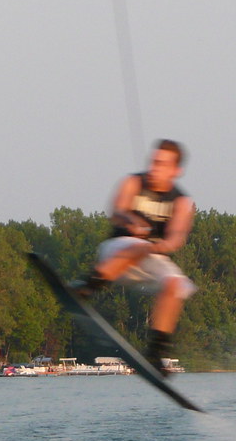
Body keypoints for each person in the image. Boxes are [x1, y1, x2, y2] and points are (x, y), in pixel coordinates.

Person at [73, 139, 197, 375]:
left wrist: (160, 245)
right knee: (138, 245)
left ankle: (156, 351)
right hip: (116, 251)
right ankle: (89, 286)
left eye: (162, 164)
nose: (154, 168)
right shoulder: (133, 182)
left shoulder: (181, 202)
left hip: (151, 256)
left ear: (176, 170)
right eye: (153, 162)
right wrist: (132, 222)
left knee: (176, 284)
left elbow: (176, 237)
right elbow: (117, 211)